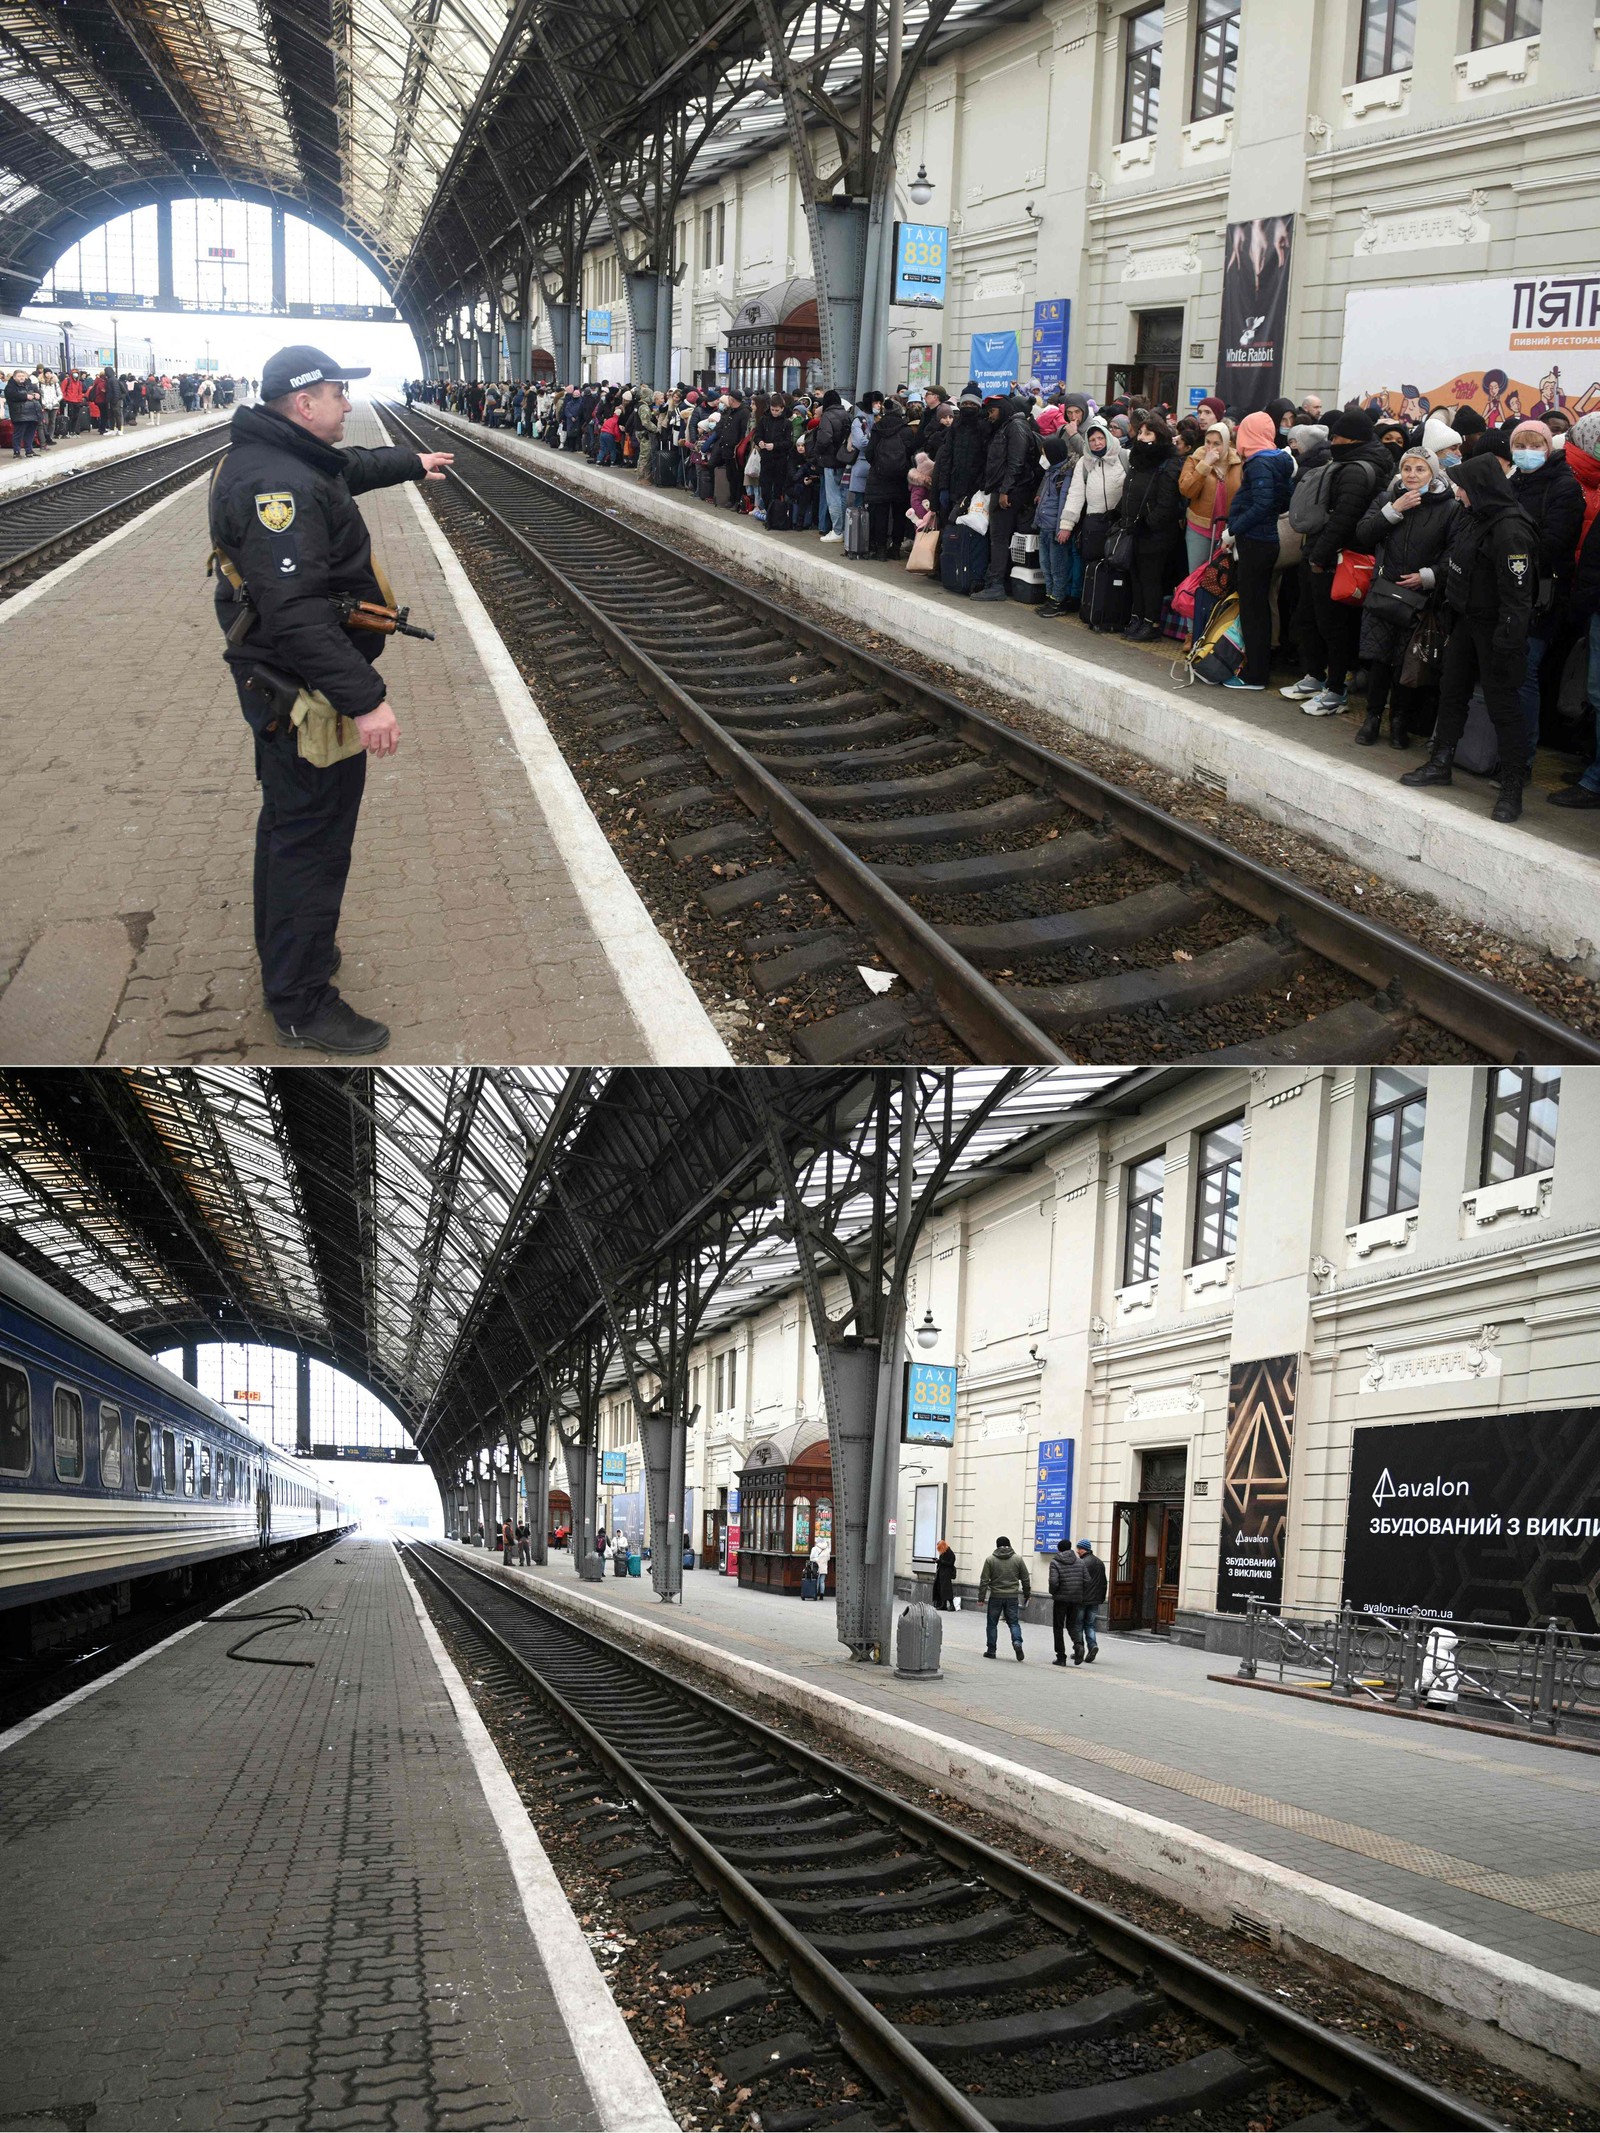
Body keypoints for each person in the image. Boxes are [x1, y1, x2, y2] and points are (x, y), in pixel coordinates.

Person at [208, 344, 453, 1051]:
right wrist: (367, 699)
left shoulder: (283, 456)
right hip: (301, 689)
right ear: (303, 401)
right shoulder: (275, 487)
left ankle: (291, 958)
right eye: (339, 392)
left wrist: (414, 462)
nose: (349, 403)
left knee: (289, 828)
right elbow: (295, 615)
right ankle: (300, 1000)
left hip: (283, 681)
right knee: (312, 844)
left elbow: (349, 471)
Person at [1400, 453, 1537, 822]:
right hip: (1465, 621)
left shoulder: (1511, 529)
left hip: (1496, 632)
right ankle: (1440, 760)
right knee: (1452, 691)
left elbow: (1518, 596)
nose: (1457, 492)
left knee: (1503, 707)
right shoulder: (1474, 517)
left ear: (1478, 488)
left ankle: (1511, 786)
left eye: (1462, 486)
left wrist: (1508, 643)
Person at [1350, 444, 1456, 747]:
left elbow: (1454, 550)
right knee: (1380, 660)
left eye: (1420, 469)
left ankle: (1399, 721)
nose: (1412, 474)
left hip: (1420, 598)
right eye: (1407, 468)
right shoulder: (1387, 498)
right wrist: (1395, 510)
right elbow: (1364, 533)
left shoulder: (1447, 507)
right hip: (1384, 593)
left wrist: (1428, 576)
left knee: (1406, 662)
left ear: (1433, 473)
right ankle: (1372, 718)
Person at [1300, 410, 1394, 717]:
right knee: (1333, 625)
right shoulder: (1361, 463)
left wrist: (1318, 556)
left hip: (1337, 559)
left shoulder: (1354, 470)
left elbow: (1343, 518)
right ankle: (1327, 681)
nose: (1332, 442)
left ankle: (1335, 690)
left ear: (1352, 439)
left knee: (1334, 627)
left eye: (1337, 437)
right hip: (1345, 557)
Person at [1507, 419, 1582, 778]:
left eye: (1535, 444)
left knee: (1526, 674)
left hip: (1540, 594)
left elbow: (1554, 542)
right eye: (1520, 444)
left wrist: (1509, 553)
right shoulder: (1513, 481)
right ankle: (1500, 750)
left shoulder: (1564, 486)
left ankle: (1522, 760)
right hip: (1507, 590)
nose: (1527, 451)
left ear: (1549, 447)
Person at [1220, 409, 1295, 690]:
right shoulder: (1279, 461)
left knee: (1253, 610)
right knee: (1259, 607)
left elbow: (1262, 504)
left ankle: (1255, 675)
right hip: (1267, 540)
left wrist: (1234, 529)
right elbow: (1282, 500)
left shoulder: (1259, 463)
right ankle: (1257, 669)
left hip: (1255, 541)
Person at [1116, 412, 1183, 642]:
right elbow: (1130, 491)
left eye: (1148, 433)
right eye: (1141, 432)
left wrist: (1147, 524)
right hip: (1134, 528)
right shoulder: (1138, 459)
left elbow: (1167, 504)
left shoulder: (1168, 463)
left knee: (1150, 578)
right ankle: (1137, 617)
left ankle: (1151, 623)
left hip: (1155, 533)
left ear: (1159, 436)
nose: (1142, 437)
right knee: (1135, 576)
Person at [972, 394, 1035, 600]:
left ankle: (996, 585)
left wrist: (1005, 490)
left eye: (992, 411)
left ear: (1002, 408)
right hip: (1003, 488)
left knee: (999, 538)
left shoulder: (1015, 426)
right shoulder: (1006, 426)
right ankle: (998, 582)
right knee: (999, 537)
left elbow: (1016, 461)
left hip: (1010, 490)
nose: (989, 415)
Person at [1178, 420, 1242, 576]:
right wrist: (1205, 465)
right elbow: (1186, 490)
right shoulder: (1194, 460)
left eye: (1217, 443)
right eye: (1208, 442)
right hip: (1200, 529)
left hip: (1229, 530)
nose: (1211, 448)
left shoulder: (1238, 462)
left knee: (1222, 579)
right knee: (1196, 576)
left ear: (1227, 443)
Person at [864, 394, 914, 560]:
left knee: (881, 515)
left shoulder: (878, 428)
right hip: (900, 479)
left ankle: (881, 550)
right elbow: (911, 453)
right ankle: (896, 547)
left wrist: (878, 466)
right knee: (899, 515)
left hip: (879, 478)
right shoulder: (906, 430)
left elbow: (869, 452)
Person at [978, 1534, 1030, 1660]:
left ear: (997, 1546)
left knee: (992, 1624)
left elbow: (984, 1580)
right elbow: (1025, 1578)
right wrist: (1027, 1594)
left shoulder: (990, 1560)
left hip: (995, 1596)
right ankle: (1017, 1642)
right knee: (1013, 1623)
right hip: (1012, 1597)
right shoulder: (1018, 1559)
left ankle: (991, 1651)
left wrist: (981, 1598)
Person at [810, 388, 851, 540]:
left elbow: (824, 439)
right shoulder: (847, 415)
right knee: (843, 496)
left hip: (830, 461)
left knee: (832, 496)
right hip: (844, 460)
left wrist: (817, 453)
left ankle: (837, 530)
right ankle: (846, 529)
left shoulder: (827, 416)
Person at [1048, 1534, 1091, 1665]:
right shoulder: (1080, 1562)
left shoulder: (1055, 1562)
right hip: (1076, 1599)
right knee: (1072, 1625)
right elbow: (1087, 1580)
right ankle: (1079, 1646)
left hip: (1061, 1599)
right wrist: (1079, 1592)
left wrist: (1053, 1592)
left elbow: (1054, 1582)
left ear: (1059, 1549)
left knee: (1058, 1627)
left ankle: (1061, 1657)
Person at [1074, 1539, 1107, 1661]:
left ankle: (1079, 1650)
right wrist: (1101, 1598)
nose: (1077, 1551)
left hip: (1083, 1600)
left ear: (1084, 1549)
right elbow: (1104, 1582)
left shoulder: (1082, 1563)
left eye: (1079, 1548)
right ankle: (1093, 1646)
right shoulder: (1099, 1562)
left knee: (1078, 1625)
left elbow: (1078, 1582)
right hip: (1095, 1600)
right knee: (1090, 1625)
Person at [931, 1537, 957, 1610]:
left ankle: (951, 1605)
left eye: (939, 1548)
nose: (939, 1550)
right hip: (942, 1573)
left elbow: (951, 1563)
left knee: (947, 1590)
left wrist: (940, 1562)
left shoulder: (949, 1553)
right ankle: (943, 1604)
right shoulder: (944, 1552)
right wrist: (938, 1561)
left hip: (946, 1574)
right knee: (941, 1589)